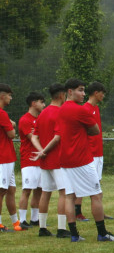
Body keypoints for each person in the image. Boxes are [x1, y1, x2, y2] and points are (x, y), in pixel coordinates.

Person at [36, 79, 114, 242]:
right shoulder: (80, 110)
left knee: (69, 196)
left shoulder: (61, 110)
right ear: (69, 92)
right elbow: (95, 130)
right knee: (96, 194)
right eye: (80, 90)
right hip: (81, 159)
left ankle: (74, 234)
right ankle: (102, 233)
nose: (83, 94)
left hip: (64, 160)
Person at [33, 83, 69, 238]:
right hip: (58, 159)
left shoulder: (42, 113)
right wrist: (45, 151)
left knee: (46, 193)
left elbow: (34, 136)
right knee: (63, 192)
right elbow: (57, 137)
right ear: (62, 95)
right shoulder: (60, 112)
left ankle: (42, 228)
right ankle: (61, 229)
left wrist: (41, 151)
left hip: (45, 161)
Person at [74, 81, 108, 221]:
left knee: (97, 183)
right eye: (102, 93)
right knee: (84, 183)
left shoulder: (96, 108)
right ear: (96, 93)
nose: (103, 96)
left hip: (98, 153)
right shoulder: (85, 108)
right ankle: (77, 212)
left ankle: (100, 211)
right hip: (89, 153)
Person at [17, 91, 46, 230]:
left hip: (40, 160)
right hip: (29, 159)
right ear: (33, 103)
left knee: (39, 190)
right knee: (27, 190)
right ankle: (22, 220)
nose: (43, 105)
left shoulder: (40, 119)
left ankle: (34, 219)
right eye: (41, 102)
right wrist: (43, 150)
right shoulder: (25, 120)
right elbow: (32, 138)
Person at [0, 83, 19, 232]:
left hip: (8, 157)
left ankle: (16, 223)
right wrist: (12, 124)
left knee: (11, 189)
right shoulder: (2, 113)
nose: (11, 98)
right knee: (1, 190)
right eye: (9, 95)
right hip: (3, 158)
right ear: (2, 95)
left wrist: (10, 124)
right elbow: (12, 134)